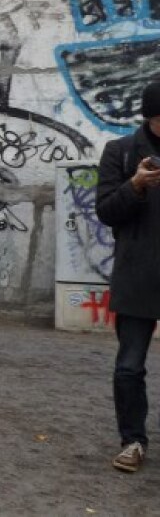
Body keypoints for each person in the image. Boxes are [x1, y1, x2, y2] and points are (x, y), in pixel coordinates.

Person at [95, 80, 160, 473]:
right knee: (129, 367)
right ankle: (133, 441)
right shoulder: (120, 153)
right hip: (138, 274)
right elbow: (105, 211)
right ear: (152, 118)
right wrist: (135, 186)